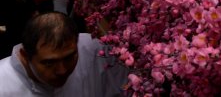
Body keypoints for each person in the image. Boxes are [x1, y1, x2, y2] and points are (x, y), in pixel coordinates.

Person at [0, 12, 128, 96]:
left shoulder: (92, 50)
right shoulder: (3, 85)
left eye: (69, 57)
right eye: (49, 62)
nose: (62, 70)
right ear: (25, 55)